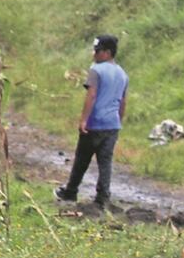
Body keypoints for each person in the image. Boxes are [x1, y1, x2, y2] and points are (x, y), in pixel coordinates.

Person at [55, 35, 129, 209]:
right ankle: (103, 197)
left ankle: (71, 191)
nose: (94, 54)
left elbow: (92, 95)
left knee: (82, 159)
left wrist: (83, 120)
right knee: (105, 162)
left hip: (95, 123)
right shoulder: (123, 74)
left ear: (107, 52)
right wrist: (119, 119)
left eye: (98, 51)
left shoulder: (96, 70)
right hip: (112, 125)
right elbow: (123, 101)